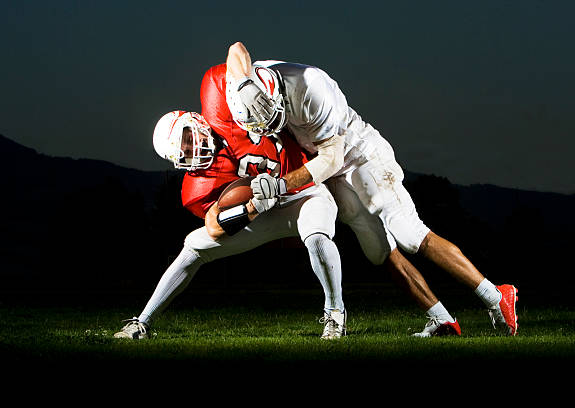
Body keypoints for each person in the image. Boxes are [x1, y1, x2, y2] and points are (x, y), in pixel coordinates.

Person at [221, 41, 518, 336]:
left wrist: (281, 184)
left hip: (358, 154)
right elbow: (237, 49)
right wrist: (244, 82)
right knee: (379, 250)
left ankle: (496, 296)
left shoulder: (313, 88)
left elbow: (331, 157)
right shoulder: (247, 83)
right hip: (330, 167)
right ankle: (442, 319)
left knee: (410, 232)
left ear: (278, 97)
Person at [114, 110, 347, 340]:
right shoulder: (199, 183)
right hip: (262, 212)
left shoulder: (232, 114)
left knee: (317, 235)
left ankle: (335, 313)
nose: (191, 149)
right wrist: (253, 208)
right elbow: (215, 228)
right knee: (194, 246)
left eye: (186, 139)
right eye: (183, 152)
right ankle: (142, 322)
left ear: (194, 121)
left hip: (304, 194)